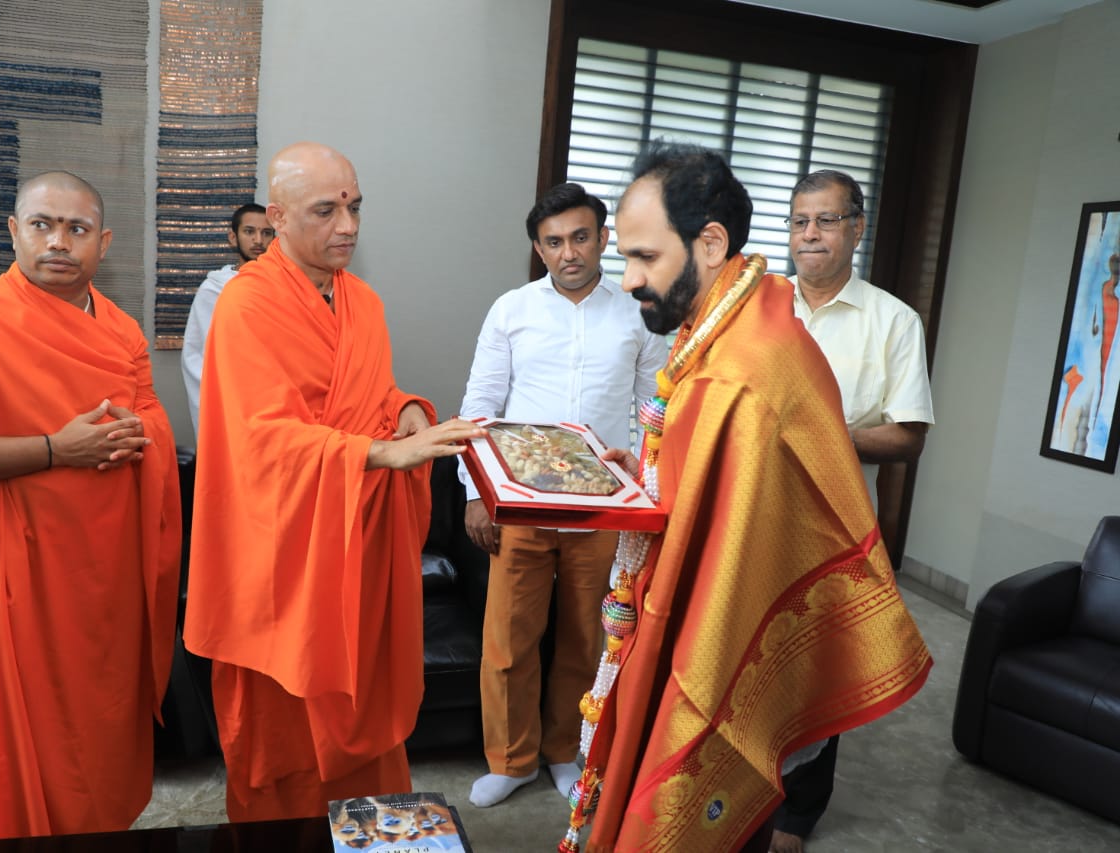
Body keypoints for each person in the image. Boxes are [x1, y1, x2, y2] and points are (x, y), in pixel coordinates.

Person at [555, 143, 932, 853]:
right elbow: (700, 479)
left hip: (723, 636)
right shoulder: (733, 322)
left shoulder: (741, 368)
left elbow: (729, 528)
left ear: (710, 242)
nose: (629, 278)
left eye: (644, 257)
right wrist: (639, 475)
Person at [182, 142, 485, 822]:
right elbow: (262, 439)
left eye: (354, 206)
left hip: (356, 542)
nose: (347, 225)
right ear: (278, 217)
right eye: (326, 210)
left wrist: (405, 410)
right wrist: (377, 454)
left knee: (364, 733)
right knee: (284, 737)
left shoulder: (364, 303)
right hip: (282, 555)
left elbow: (369, 394)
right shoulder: (245, 306)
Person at [0, 171, 181, 842]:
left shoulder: (121, 330)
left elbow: (152, 424)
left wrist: (140, 434)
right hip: (10, 569)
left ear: (101, 243)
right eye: (43, 224)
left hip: (103, 569)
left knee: (97, 725)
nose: (59, 241)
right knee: (13, 728)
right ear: (14, 231)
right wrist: (56, 448)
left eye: (76, 229)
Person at [459, 183, 668, 808]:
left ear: (604, 237)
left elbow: (651, 409)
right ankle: (510, 759)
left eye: (580, 237)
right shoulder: (512, 309)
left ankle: (563, 753)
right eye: (553, 242)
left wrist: (646, 495)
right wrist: (475, 493)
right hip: (520, 502)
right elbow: (479, 407)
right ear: (537, 248)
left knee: (589, 638)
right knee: (508, 640)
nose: (568, 252)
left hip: (604, 503)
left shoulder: (638, 311)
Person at [772, 169, 936, 853]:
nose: (811, 234)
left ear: (857, 228)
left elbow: (907, 433)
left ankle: (796, 815)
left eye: (827, 220)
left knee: (815, 663)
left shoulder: (893, 320)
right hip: (745, 513)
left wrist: (816, 429)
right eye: (801, 221)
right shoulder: (760, 305)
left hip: (831, 522)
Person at [181, 202, 274, 435]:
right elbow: (197, 353)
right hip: (230, 398)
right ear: (233, 237)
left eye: (266, 233)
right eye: (249, 231)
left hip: (274, 400)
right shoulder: (215, 289)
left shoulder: (285, 287)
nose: (258, 241)